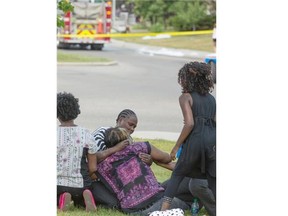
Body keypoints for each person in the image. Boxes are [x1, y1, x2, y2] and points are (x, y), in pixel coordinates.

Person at [96, 127, 191, 215]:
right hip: (157, 201)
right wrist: (154, 159)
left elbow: (92, 162)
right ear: (126, 140)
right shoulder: (139, 147)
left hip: (132, 210)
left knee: (165, 188)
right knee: (186, 200)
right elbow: (167, 158)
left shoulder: (103, 166)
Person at [160, 61, 216, 211]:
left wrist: (176, 147)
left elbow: (189, 123)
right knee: (213, 179)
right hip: (212, 140)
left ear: (187, 79)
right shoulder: (212, 99)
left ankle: (164, 211)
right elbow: (216, 122)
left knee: (178, 174)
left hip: (196, 138)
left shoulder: (186, 97)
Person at [91, 109, 152, 209]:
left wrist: (147, 162)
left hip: (119, 183)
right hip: (96, 180)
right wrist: (115, 149)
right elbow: (92, 159)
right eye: (130, 124)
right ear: (120, 120)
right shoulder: (102, 132)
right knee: (115, 204)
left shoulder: (129, 140)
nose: (132, 129)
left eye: (134, 127)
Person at [57, 92, 98, 211]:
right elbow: (93, 168)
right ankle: (85, 194)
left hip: (58, 183)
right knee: (84, 190)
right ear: (76, 111)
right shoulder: (86, 133)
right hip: (81, 183)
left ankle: (64, 197)